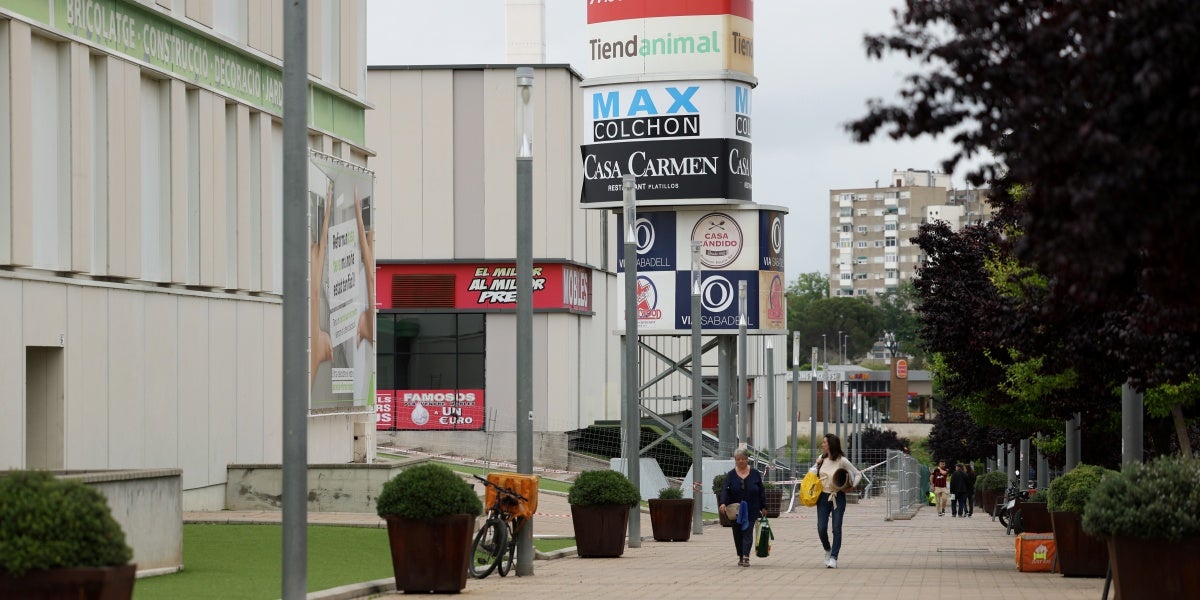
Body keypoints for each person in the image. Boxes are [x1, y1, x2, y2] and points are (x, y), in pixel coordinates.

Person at [813, 433, 861, 569]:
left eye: (824, 442)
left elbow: (858, 473)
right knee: (821, 528)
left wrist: (852, 486)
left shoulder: (842, 460)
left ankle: (834, 557)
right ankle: (827, 549)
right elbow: (812, 474)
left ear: (830, 444)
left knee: (836, 528)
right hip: (822, 497)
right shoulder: (821, 459)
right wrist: (815, 466)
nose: (822, 445)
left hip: (837, 496)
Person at [718, 444, 767, 567]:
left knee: (747, 530)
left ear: (747, 459)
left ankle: (746, 556)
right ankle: (740, 555)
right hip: (735, 509)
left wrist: (764, 506)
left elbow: (761, 490)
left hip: (752, 508)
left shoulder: (755, 474)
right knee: (737, 532)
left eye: (743, 458)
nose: (741, 461)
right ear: (735, 460)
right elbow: (725, 489)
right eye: (738, 459)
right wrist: (723, 503)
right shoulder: (731, 475)